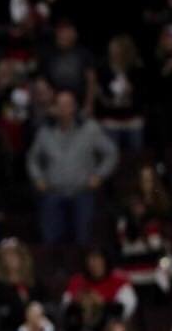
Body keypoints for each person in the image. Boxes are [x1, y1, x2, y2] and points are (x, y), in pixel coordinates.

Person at [25, 88, 119, 245]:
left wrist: (100, 175)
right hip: (53, 192)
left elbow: (111, 152)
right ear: (54, 108)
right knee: (50, 239)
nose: (63, 109)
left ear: (75, 107)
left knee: (83, 239)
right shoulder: (45, 131)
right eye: (60, 105)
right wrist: (38, 178)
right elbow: (32, 158)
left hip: (82, 191)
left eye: (67, 105)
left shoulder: (90, 129)